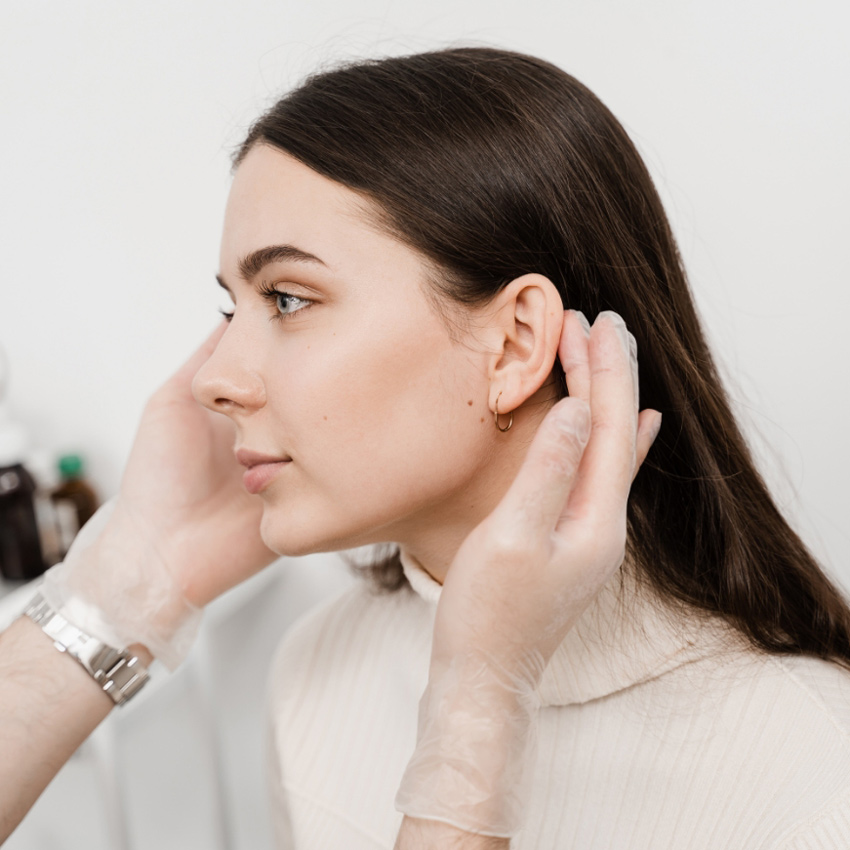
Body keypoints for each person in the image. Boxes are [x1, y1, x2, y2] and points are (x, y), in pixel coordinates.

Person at [1, 45, 849, 848]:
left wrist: (477, 706)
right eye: (233, 306)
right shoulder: (319, 673)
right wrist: (130, 580)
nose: (210, 380)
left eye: (288, 298)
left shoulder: (811, 770)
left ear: (516, 345)